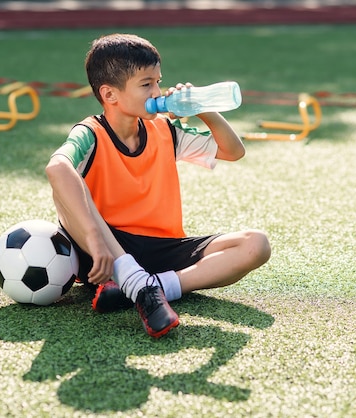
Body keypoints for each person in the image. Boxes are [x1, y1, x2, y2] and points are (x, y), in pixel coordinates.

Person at [45, 33, 270, 338]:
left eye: (157, 81)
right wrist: (95, 240)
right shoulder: (92, 133)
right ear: (110, 95)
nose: (157, 91)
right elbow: (57, 167)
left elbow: (233, 151)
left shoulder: (164, 129)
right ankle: (131, 277)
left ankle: (154, 287)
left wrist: (202, 108)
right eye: (146, 84)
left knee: (256, 245)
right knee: (68, 179)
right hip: (106, 250)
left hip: (161, 249)